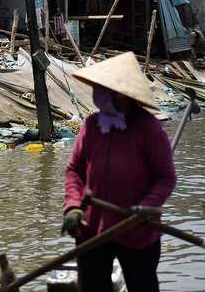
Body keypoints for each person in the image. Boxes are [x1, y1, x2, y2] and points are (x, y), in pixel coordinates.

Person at [62, 51, 177, 292]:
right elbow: (74, 171)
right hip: (92, 227)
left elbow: (165, 178)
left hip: (137, 227)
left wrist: (146, 206)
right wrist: (73, 206)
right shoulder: (92, 126)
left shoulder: (150, 128)